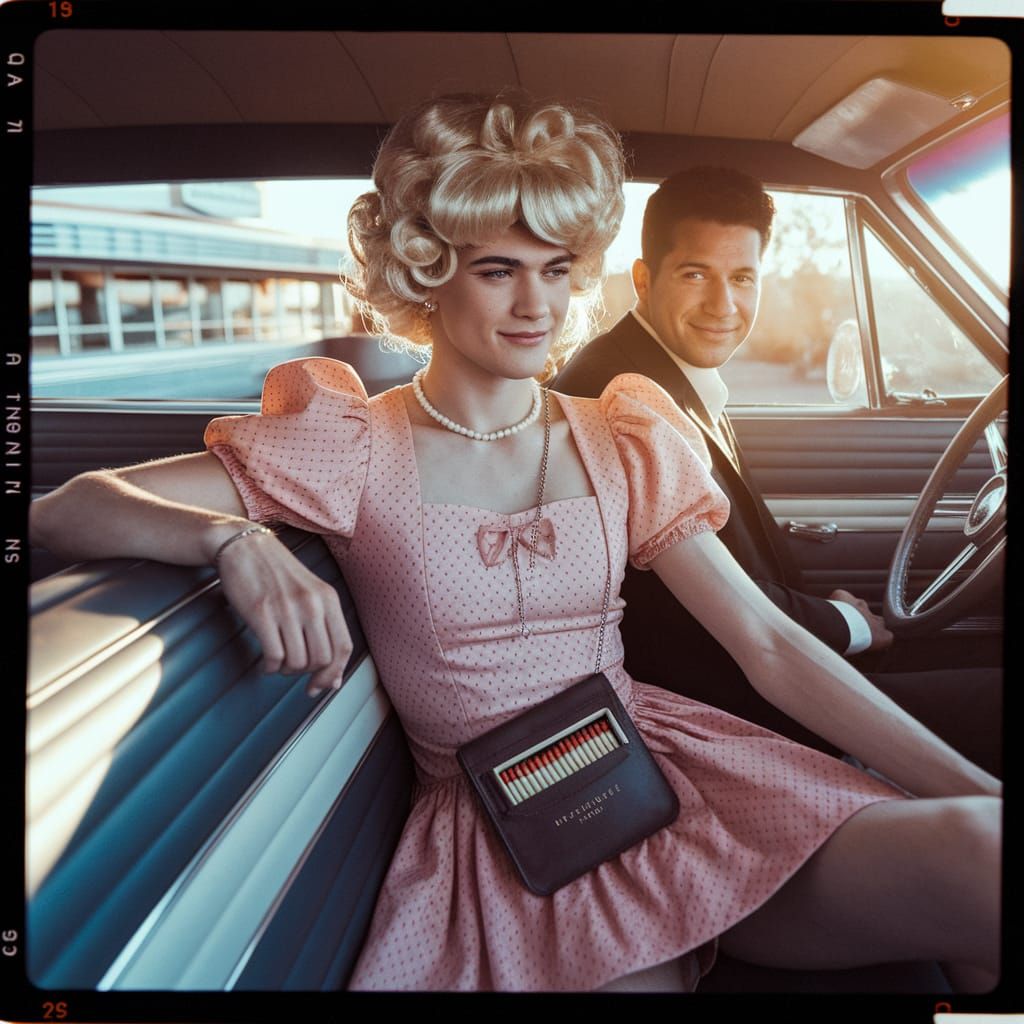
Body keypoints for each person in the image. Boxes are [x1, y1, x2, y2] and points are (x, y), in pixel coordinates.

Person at [29, 94, 999, 993]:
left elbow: (772, 646)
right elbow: (66, 506)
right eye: (498, 269)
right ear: (428, 272)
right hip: (506, 830)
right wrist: (232, 542)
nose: (536, 304)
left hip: (662, 769)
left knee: (984, 848)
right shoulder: (350, 444)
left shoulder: (624, 432)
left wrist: (980, 788)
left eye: (555, 268)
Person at [556, 166, 1001, 774]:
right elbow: (689, 619)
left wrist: (830, 613)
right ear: (642, 279)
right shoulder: (614, 398)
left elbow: (731, 566)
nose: (724, 305)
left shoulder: (667, 373)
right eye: (695, 274)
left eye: (742, 278)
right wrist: (848, 625)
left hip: (762, 669)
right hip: (738, 708)